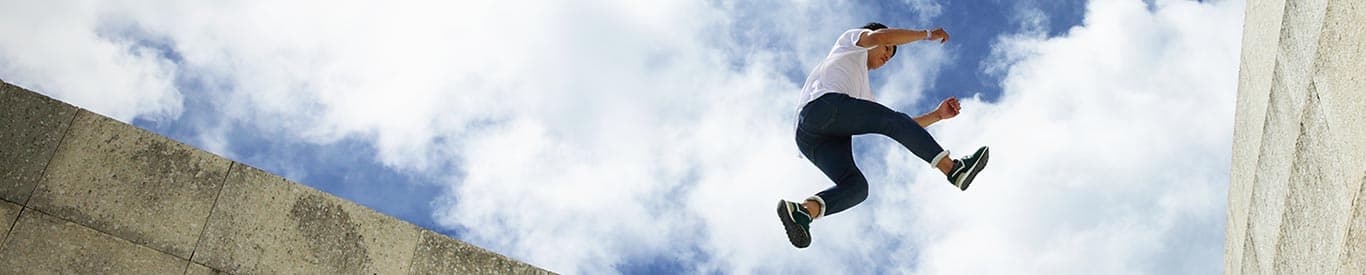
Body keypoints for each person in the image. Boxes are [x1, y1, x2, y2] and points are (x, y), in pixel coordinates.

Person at [778, 23, 990, 248]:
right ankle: (953, 169)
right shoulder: (850, 43)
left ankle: (802, 213)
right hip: (819, 109)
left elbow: (900, 126)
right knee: (891, 120)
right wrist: (927, 34)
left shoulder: (863, 93)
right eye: (888, 48)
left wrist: (937, 115)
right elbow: (881, 37)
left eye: (891, 53)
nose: (888, 55)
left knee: (856, 187)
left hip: (813, 140)